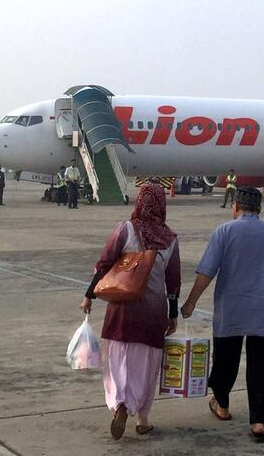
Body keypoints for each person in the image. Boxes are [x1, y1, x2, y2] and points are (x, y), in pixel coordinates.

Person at [181, 186, 264, 441]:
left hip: (230, 311)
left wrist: (190, 303)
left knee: (225, 361)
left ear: (235, 207)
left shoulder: (224, 231)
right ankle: (259, 422)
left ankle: (221, 405)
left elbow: (206, 272)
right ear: (259, 209)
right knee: (263, 366)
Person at [81, 184, 181, 440]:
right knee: (146, 366)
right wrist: (172, 313)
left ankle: (120, 404)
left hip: (121, 309)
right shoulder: (169, 239)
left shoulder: (125, 229)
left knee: (117, 361)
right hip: (152, 314)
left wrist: (89, 295)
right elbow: (173, 281)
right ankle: (143, 419)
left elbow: (103, 263)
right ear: (161, 205)